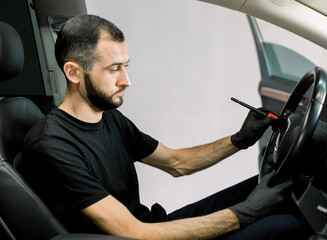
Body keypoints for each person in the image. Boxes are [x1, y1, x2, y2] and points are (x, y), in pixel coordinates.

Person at [17, 14, 307, 239]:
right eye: (113, 69)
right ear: (73, 72)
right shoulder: (51, 146)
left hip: (153, 227)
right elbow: (133, 232)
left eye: (125, 66)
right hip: (139, 237)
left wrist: (238, 139)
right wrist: (247, 213)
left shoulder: (107, 116)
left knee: (271, 187)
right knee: (285, 225)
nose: (125, 80)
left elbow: (177, 162)